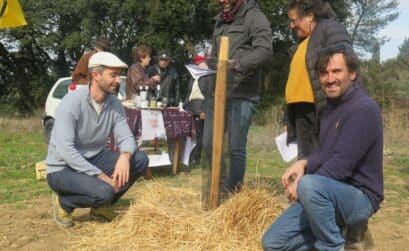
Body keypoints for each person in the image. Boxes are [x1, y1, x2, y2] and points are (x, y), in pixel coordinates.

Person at [262, 45, 384, 251]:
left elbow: (340, 166)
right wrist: (305, 162)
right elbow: (328, 153)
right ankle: (340, 235)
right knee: (273, 243)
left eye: (336, 71)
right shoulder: (331, 106)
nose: (330, 78)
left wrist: (300, 187)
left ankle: (332, 245)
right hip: (328, 194)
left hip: (359, 198)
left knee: (309, 185)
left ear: (352, 73)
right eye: (324, 73)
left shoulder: (363, 109)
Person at [46, 51, 149, 227]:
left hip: (94, 158)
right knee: (105, 190)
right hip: (62, 168)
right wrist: (101, 176)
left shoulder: (114, 104)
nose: (118, 80)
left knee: (139, 159)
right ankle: (64, 203)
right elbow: (65, 150)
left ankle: (100, 207)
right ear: (96, 75)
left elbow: (127, 137)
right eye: (113, 75)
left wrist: (125, 156)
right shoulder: (71, 103)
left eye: (119, 75)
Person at [202, 0, 273, 200]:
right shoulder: (219, 21)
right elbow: (216, 55)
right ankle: (216, 190)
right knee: (208, 144)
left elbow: (265, 49)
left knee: (235, 148)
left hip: (243, 94)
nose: (220, 1)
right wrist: (207, 64)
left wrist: (238, 64)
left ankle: (231, 197)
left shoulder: (254, 15)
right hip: (218, 92)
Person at [283, 0, 353, 159]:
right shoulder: (303, 42)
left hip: (320, 110)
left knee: (321, 159)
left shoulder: (331, 27)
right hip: (301, 111)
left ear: (309, 15)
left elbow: (345, 58)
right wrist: (288, 119)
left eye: (293, 20)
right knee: (305, 161)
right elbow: (296, 81)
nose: (291, 26)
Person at [183, 55, 215, 165]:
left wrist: (204, 110)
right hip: (191, 108)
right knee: (193, 135)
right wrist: (184, 106)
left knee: (200, 135)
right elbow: (189, 93)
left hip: (201, 109)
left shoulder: (209, 77)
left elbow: (210, 95)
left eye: (201, 63)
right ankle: (190, 156)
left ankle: (196, 157)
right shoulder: (193, 77)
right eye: (197, 63)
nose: (199, 65)